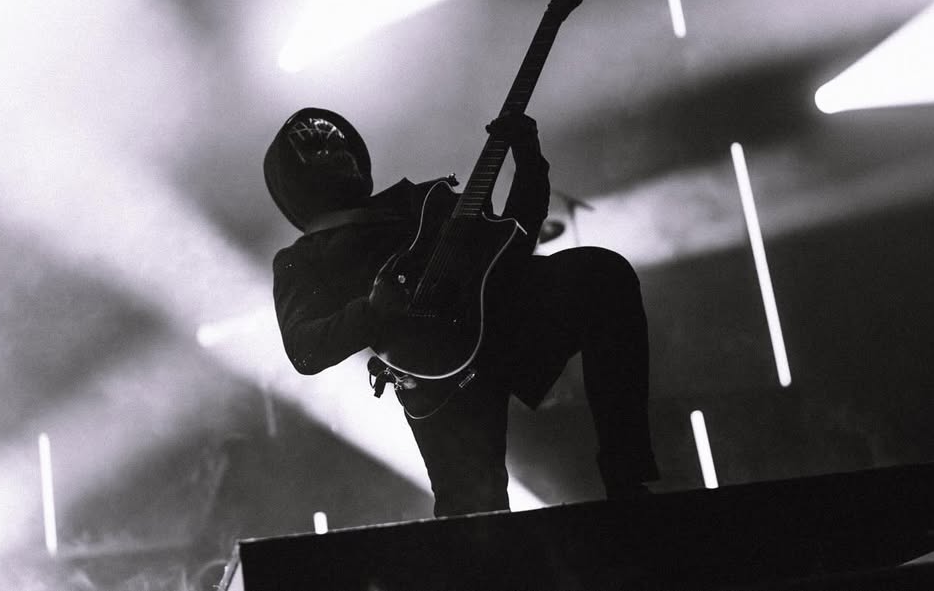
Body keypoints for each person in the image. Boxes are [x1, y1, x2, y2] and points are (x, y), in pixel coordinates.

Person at [264, 106, 658, 517]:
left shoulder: (422, 200)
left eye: (339, 141)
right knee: (476, 518)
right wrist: (373, 311)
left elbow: (511, 245)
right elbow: (304, 349)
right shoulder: (301, 258)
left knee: (603, 275)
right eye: (319, 148)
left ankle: (629, 483)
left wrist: (528, 159)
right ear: (294, 179)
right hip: (435, 373)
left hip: (503, 318)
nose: (338, 150)